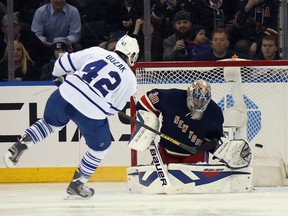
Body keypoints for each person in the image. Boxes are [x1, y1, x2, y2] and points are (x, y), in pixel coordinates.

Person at [3, 35, 139, 199]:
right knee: (100, 148)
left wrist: (59, 76)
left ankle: (20, 145)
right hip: (91, 112)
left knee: (49, 124)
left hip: (64, 95)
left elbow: (61, 64)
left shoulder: (98, 52)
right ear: (132, 55)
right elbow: (113, 110)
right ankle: (78, 183)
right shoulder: (130, 80)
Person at [135, 80, 224, 164]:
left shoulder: (215, 113)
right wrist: (149, 123)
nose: (199, 105)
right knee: (156, 180)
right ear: (189, 96)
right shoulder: (174, 98)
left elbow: (213, 141)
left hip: (194, 155)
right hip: (166, 151)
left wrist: (221, 151)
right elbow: (145, 101)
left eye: (203, 102)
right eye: (196, 100)